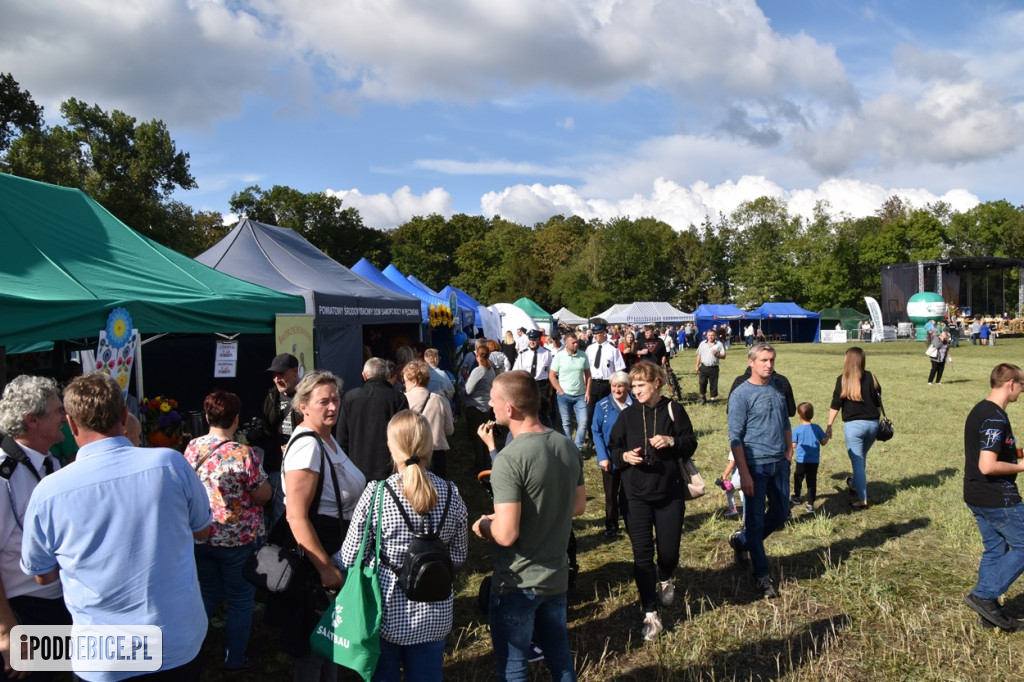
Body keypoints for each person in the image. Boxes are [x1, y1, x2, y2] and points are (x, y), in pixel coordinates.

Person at [21, 372, 212, 680]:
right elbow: (202, 530)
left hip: (105, 657)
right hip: (175, 644)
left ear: (71, 424)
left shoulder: (48, 492)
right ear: (125, 416)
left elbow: (42, 575)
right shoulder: (170, 464)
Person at [472, 371, 585, 682]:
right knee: (560, 659)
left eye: (494, 400)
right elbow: (577, 506)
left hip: (518, 582)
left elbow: (507, 534)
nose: (491, 406)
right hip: (556, 576)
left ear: (509, 409)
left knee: (514, 666)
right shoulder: (567, 446)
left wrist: (483, 525)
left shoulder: (509, 459)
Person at [338, 410, 467, 682]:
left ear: (390, 447)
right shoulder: (452, 494)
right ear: (429, 446)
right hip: (435, 614)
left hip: (384, 615)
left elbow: (350, 556)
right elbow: (457, 555)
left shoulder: (376, 494)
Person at [277, 370, 367, 679]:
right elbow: (296, 515)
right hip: (318, 558)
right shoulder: (307, 446)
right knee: (315, 647)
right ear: (303, 405)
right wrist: (324, 567)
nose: (332, 407)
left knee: (330, 643)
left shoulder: (324, 438)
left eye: (335, 399)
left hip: (336, 551)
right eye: (323, 401)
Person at [609, 361, 698, 640]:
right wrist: (624, 457)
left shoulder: (674, 410)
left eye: (640, 385)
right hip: (635, 495)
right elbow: (614, 448)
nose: (635, 391)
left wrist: (670, 441)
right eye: (633, 386)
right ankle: (650, 612)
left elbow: (690, 442)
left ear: (656, 383)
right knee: (642, 556)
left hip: (669, 493)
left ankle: (665, 576)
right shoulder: (627, 415)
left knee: (669, 553)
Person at [184, 390, 271, 674]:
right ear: (236, 419)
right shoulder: (241, 452)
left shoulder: (192, 448)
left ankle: (187, 648)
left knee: (208, 594)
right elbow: (263, 495)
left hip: (201, 534)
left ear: (207, 416)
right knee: (240, 601)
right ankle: (235, 660)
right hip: (237, 540)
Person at [0, 376, 71, 680]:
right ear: (32, 421)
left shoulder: (50, 462)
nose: (65, 418)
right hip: (24, 612)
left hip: (56, 603)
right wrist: (6, 631)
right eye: (57, 411)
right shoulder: (4, 477)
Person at [726, 343, 792, 599]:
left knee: (781, 513)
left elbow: (786, 420)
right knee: (754, 520)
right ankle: (762, 576)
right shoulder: (741, 394)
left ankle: (742, 542)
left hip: (779, 463)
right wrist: (743, 472)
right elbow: (735, 437)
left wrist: (788, 450)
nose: (769, 364)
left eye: (772, 360)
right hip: (755, 465)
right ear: (751, 362)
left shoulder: (778, 386)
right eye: (764, 360)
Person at [963, 364, 1024, 631]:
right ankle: (984, 595)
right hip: (997, 497)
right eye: (1022, 385)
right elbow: (988, 465)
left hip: (977, 494)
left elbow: (992, 452)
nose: (1022, 390)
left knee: (995, 550)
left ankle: (989, 613)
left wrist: (1019, 453)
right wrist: (1022, 467)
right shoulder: (995, 418)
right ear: (1011, 383)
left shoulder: (981, 410)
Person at [826, 347, 881, 509]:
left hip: (854, 427)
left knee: (857, 461)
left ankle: (862, 498)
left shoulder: (842, 379)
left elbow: (835, 404)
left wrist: (829, 425)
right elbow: (878, 402)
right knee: (861, 457)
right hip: (873, 425)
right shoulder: (872, 377)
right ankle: (854, 483)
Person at [337, 358, 409, 481]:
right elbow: (405, 435)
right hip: (390, 469)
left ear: (364, 376)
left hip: (356, 469)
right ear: (387, 375)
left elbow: (342, 437)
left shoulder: (350, 397)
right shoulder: (398, 398)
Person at [257, 352, 303, 525]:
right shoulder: (271, 396)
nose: (276, 379)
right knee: (278, 511)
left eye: (281, 374)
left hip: (301, 463)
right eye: (274, 375)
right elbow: (267, 427)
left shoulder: (307, 396)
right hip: (277, 464)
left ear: (295, 371)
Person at [591, 371, 632, 538]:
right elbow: (596, 431)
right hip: (609, 458)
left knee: (629, 494)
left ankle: (632, 524)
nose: (617, 389)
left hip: (631, 458)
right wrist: (602, 457)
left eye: (620, 386)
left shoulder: (636, 404)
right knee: (611, 494)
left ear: (628, 387)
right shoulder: (602, 406)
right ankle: (611, 526)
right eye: (614, 386)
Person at [403, 361, 454, 479]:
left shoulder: (403, 400)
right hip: (437, 452)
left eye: (405, 381)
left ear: (414, 381)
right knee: (439, 491)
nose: (404, 384)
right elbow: (449, 430)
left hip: (413, 452)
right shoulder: (440, 400)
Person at [585, 321, 626, 453]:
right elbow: (586, 369)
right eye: (594, 334)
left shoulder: (613, 350)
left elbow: (619, 370)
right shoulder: (590, 349)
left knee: (608, 412)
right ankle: (592, 438)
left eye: (597, 334)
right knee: (590, 413)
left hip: (606, 384)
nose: (595, 336)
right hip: (592, 384)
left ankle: (609, 438)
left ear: (604, 333)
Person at [550, 332, 592, 452]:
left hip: (580, 395)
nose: (576, 344)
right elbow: (552, 375)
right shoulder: (559, 356)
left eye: (577, 342)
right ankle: (568, 448)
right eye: (573, 343)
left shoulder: (583, 355)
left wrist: (588, 392)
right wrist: (560, 390)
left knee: (583, 422)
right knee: (566, 423)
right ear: (566, 343)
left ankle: (578, 448)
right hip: (564, 396)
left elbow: (588, 375)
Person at [790, 402, 829, 514]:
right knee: (811, 481)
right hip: (814, 461)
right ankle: (810, 504)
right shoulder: (817, 428)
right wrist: (827, 435)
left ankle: (797, 496)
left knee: (798, 477)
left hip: (801, 460)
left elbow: (793, 445)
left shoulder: (797, 430)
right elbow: (823, 442)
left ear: (799, 415)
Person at [464, 345, 496, 473]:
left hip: (475, 406)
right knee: (485, 435)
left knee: (476, 436)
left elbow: (468, 390)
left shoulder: (478, 371)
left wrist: (462, 386)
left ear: (477, 356)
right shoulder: (491, 370)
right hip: (486, 406)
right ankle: (486, 461)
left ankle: (480, 464)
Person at [695, 328, 727, 405]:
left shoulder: (719, 344)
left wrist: (717, 354)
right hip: (703, 367)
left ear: (715, 336)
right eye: (709, 335)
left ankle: (712, 400)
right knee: (702, 382)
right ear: (706, 336)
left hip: (714, 368)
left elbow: (724, 356)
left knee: (713, 384)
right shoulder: (702, 343)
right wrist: (696, 365)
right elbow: (699, 355)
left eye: (712, 335)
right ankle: (703, 397)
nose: (711, 337)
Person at [717, 453, 742, 519]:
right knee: (742, 491)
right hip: (748, 475)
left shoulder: (735, 448)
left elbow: (732, 463)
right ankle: (747, 510)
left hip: (738, 477)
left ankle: (732, 508)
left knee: (729, 491)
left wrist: (724, 475)